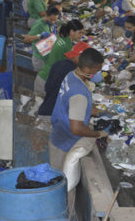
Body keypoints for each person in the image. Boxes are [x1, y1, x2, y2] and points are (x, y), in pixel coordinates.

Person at [49, 48, 106, 208]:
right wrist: (97, 133)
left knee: (59, 184)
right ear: (88, 69)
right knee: (64, 189)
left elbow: (71, 105)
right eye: (97, 70)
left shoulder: (71, 75)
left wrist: (95, 110)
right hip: (65, 142)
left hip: (58, 134)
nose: (99, 73)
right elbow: (76, 128)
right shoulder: (79, 93)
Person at [38, 42, 90, 116]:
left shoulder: (58, 63)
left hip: (45, 108)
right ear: (79, 57)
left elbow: (47, 87)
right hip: (55, 114)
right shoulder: (74, 73)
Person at [35, 20, 85, 93]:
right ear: (71, 32)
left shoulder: (64, 39)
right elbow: (75, 64)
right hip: (45, 80)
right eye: (79, 33)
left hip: (43, 77)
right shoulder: (67, 46)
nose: (81, 35)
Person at [23, 7, 60, 71]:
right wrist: (39, 36)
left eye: (55, 20)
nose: (53, 22)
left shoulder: (50, 24)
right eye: (51, 19)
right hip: (40, 59)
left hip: (46, 55)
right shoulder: (39, 25)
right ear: (46, 15)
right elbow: (26, 39)